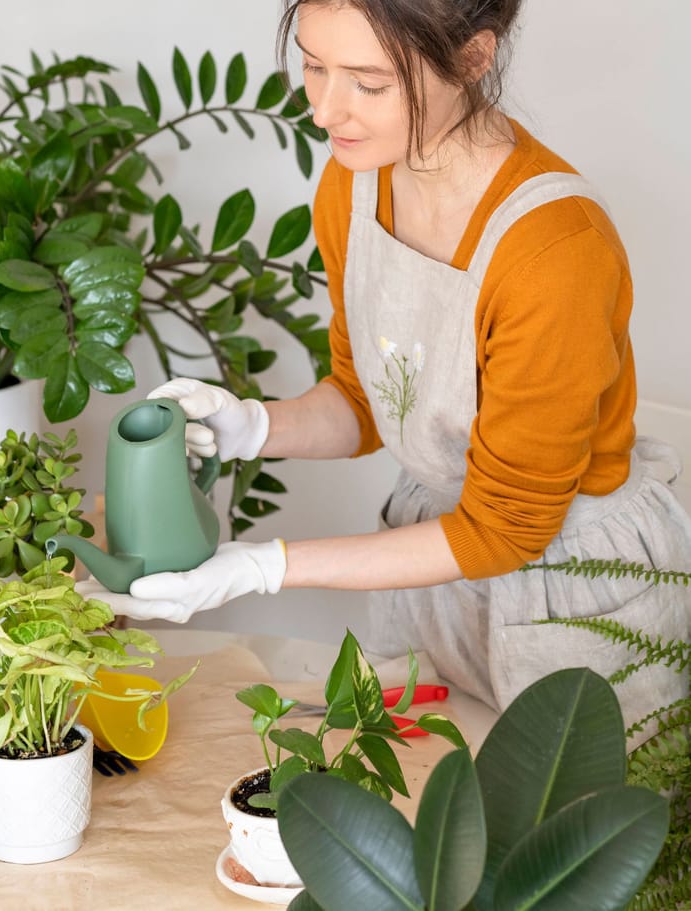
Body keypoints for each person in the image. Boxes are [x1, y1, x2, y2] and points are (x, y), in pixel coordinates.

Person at [81, 0, 691, 719]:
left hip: (578, 587)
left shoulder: (555, 255)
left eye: (369, 84)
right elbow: (367, 399)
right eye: (313, 66)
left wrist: (264, 565)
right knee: (426, 798)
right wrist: (253, 427)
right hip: (432, 566)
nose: (324, 110)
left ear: (473, 58)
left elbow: (506, 527)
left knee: (556, 819)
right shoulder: (353, 185)